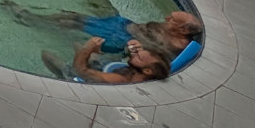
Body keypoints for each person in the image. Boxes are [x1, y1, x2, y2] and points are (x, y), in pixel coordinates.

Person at [9, 6, 202, 57]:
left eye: (172, 20)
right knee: (72, 15)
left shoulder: (175, 45)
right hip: (121, 24)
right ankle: (33, 17)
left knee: (71, 23)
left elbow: (153, 53)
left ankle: (30, 20)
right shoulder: (173, 31)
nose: (167, 19)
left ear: (183, 30)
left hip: (120, 38)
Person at [43, 37, 171, 85]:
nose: (135, 55)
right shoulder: (143, 72)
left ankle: (61, 76)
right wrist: (134, 47)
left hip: (85, 76)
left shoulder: (120, 80)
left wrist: (87, 50)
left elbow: (80, 70)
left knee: (47, 55)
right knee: (77, 43)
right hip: (103, 69)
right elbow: (137, 54)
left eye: (139, 57)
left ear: (147, 70)